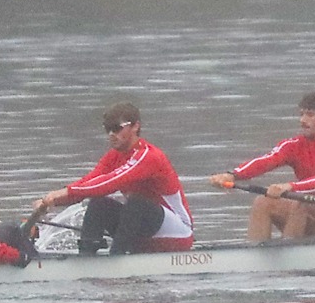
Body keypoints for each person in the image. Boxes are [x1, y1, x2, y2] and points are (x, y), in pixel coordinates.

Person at [33, 101, 194, 254]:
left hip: (177, 234)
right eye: (108, 129)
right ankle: (87, 257)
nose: (111, 134)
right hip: (144, 231)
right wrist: (53, 200)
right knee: (98, 204)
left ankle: (117, 258)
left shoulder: (149, 156)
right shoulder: (113, 157)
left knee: (136, 204)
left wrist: (63, 192)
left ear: (135, 126)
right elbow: (88, 183)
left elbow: (109, 183)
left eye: (117, 128)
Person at [208, 91, 315, 241]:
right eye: (301, 114)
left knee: (304, 201)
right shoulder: (294, 145)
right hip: (313, 209)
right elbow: (266, 161)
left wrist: (290, 186)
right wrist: (233, 175)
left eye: (310, 115)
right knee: (263, 202)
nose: (302, 120)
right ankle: (255, 256)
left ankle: (289, 254)